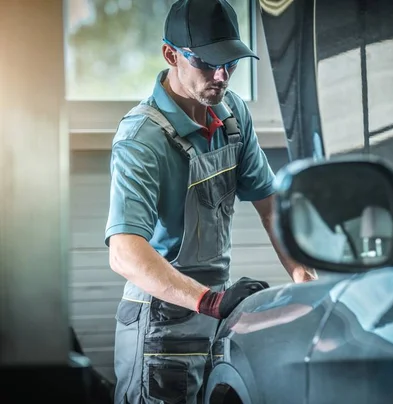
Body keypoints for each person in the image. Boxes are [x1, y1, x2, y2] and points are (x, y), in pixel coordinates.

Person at [104, 0, 317, 402]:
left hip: (214, 318)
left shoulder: (231, 113)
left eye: (231, 63)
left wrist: (304, 279)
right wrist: (211, 301)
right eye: (207, 62)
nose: (222, 76)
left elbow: (271, 204)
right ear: (171, 54)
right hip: (158, 327)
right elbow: (124, 253)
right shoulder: (142, 140)